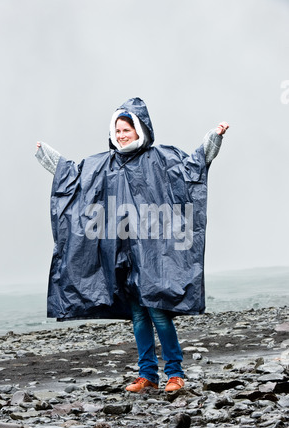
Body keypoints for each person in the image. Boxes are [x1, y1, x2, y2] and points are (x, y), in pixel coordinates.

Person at [35, 97, 229, 393]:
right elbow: (73, 178)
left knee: (159, 312)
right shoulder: (104, 164)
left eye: (127, 129)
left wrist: (213, 138)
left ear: (140, 130)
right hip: (122, 253)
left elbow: (194, 167)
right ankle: (147, 374)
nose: (122, 135)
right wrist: (49, 156)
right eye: (118, 131)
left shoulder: (161, 159)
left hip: (153, 253)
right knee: (138, 315)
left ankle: (175, 374)